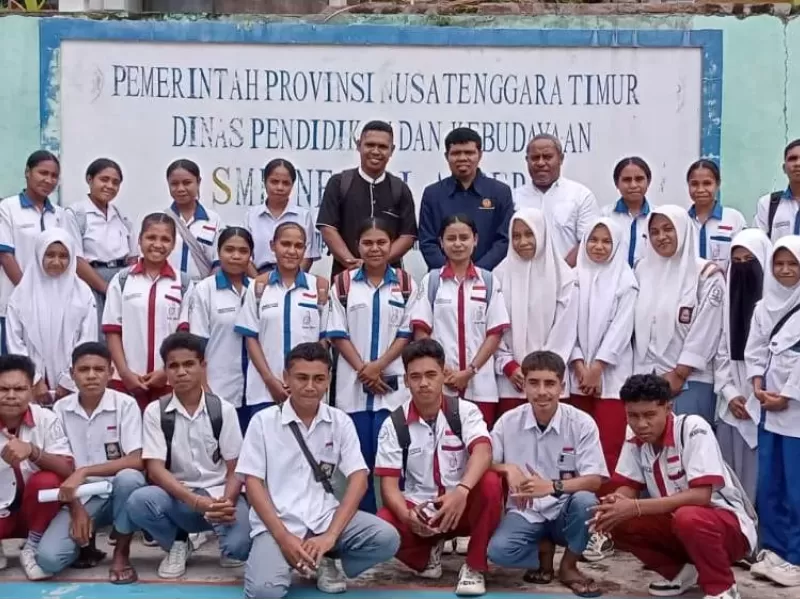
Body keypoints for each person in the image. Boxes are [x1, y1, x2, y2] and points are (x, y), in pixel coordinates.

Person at [237, 342, 400, 598]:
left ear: (329, 380)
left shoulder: (340, 421)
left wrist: (330, 536)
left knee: (386, 538)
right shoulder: (263, 422)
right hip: (279, 524)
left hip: (325, 519)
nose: (310, 386)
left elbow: (359, 478)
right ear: (286, 377)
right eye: (302, 378)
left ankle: (326, 559)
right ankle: (284, 558)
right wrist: (283, 537)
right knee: (264, 592)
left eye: (318, 379)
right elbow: (252, 483)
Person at [591, 374, 755, 600]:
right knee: (614, 518)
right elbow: (628, 485)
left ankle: (723, 588)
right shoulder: (634, 436)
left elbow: (701, 496)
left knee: (688, 517)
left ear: (668, 408)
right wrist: (614, 503)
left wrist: (635, 506)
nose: (641, 424)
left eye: (649, 415)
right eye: (633, 415)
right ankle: (683, 573)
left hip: (727, 527)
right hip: (679, 525)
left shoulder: (693, 428)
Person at [376, 339, 502, 596]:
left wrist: (462, 491)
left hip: (462, 507)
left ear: (443, 375)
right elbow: (388, 486)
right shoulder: (394, 423)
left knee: (490, 483)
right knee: (382, 527)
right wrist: (407, 517)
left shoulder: (464, 411)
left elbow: (483, 451)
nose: (424, 383)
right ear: (406, 381)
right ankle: (426, 556)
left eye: (431, 375)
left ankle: (474, 566)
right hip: (423, 511)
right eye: (416, 377)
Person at [126, 332, 251, 579]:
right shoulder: (155, 411)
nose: (181, 372)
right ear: (166, 371)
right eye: (173, 366)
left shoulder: (222, 409)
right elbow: (155, 469)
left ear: (202, 366)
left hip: (219, 495)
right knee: (139, 501)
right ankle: (178, 543)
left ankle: (226, 542)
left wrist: (225, 504)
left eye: (189, 364)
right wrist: (194, 501)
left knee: (240, 548)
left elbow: (235, 467)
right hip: (179, 497)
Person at [488, 351, 606, 597]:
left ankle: (569, 566)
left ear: (562, 387)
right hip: (525, 511)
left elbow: (595, 480)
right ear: (524, 386)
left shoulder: (581, 423)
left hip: (564, 510)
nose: (542, 392)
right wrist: (507, 468)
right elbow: (483, 461)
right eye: (534, 383)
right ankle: (543, 550)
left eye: (550, 383)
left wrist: (551, 486)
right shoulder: (507, 422)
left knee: (586, 501)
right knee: (499, 552)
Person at [324, 218, 417, 513]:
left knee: (393, 463)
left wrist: (379, 365)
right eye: (367, 243)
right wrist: (364, 370)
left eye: (381, 242)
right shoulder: (343, 283)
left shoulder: (405, 284)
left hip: (392, 391)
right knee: (357, 465)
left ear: (391, 245)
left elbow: (407, 331)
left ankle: (394, 525)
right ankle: (362, 525)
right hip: (352, 391)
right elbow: (337, 332)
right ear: (357, 246)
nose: (374, 249)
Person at [38, 342, 145, 584]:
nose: (91, 376)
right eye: (84, 369)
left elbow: (137, 459)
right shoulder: (60, 409)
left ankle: (121, 552)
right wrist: (76, 507)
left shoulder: (125, 404)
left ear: (110, 372)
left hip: (117, 492)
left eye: (99, 369)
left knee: (130, 478)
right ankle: (87, 546)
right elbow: (58, 462)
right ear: (72, 373)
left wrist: (85, 471)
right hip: (78, 496)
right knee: (49, 559)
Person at [411, 214, 510, 428]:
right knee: (443, 443)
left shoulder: (489, 280)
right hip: (442, 384)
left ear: (475, 240)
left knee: (479, 440)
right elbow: (421, 331)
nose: (457, 244)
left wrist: (470, 371)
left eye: (464, 238)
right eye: (451, 238)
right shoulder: (432, 281)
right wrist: (443, 369)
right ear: (441, 242)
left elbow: (494, 333)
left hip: (481, 384)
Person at [633, 205, 725, 425]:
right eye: (654, 232)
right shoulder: (642, 271)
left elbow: (708, 329)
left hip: (690, 381)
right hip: (647, 379)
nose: (661, 237)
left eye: (668, 229)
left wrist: (680, 373)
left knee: (688, 440)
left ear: (683, 230)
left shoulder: (706, 274)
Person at [235, 223, 330, 429]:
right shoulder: (258, 287)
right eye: (285, 244)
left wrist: (306, 379)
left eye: (298, 246)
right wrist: (270, 380)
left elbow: (324, 340)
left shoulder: (319, 287)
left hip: (307, 390)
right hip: (264, 390)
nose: (291, 251)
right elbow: (251, 338)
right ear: (273, 245)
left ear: (305, 249)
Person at [744, 236, 800, 586]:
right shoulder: (763, 307)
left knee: (797, 488)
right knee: (770, 484)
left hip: (795, 413)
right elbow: (755, 349)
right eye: (779, 264)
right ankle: (775, 550)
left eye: (793, 264)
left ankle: (797, 557)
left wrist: (788, 395)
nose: (785, 270)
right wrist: (756, 382)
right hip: (769, 411)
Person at [570, 218, 638, 479]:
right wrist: (580, 366)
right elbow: (565, 326)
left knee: (610, 446)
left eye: (606, 241)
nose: (599, 246)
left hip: (612, 378)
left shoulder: (626, 281)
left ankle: (609, 501)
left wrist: (597, 368)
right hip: (576, 377)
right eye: (593, 240)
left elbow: (622, 329)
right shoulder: (573, 278)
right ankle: (578, 499)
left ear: (617, 245)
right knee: (576, 446)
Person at [103, 213, 192, 411]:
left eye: (165, 239)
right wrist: (124, 373)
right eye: (151, 237)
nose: (157, 244)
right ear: (140, 240)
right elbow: (112, 330)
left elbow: (183, 334)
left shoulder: (183, 283)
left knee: (165, 429)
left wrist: (166, 371)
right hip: (126, 381)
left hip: (168, 381)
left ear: (173, 244)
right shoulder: (122, 280)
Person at [494, 208, 577, 418]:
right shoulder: (499, 275)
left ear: (542, 233)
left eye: (529, 234)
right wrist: (508, 365)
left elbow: (565, 329)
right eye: (516, 236)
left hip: (550, 381)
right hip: (512, 380)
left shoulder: (564, 277)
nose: (523, 242)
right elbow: (494, 325)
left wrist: (541, 372)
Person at [0, 354, 73, 581]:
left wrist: (32, 451)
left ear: (32, 391)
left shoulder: (46, 419)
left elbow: (67, 470)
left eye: (19, 389)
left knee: (48, 480)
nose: (11, 396)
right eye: (3, 389)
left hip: (35, 512)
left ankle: (32, 546)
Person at [6, 229, 97, 404]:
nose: (56, 261)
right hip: (32, 385)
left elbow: (87, 339)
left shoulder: (82, 294)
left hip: (73, 384)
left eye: (63, 256)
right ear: (39, 254)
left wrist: (68, 381)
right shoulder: (21, 296)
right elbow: (15, 342)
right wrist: (35, 379)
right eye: (50, 255)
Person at [714, 229, 771, 505]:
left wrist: (754, 401)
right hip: (731, 407)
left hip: (767, 407)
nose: (742, 267)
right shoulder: (727, 302)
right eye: (736, 261)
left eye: (750, 261)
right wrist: (730, 393)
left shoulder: (775, 308)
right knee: (730, 482)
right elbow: (721, 351)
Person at [316, 120, 417, 278]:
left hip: (390, 279)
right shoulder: (339, 183)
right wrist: (352, 263)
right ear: (358, 145)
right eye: (370, 145)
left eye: (382, 146)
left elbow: (407, 236)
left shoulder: (400, 189)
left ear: (392, 150)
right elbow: (328, 228)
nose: (376, 151)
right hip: (345, 276)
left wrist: (379, 263)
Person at [418, 127, 514, 271]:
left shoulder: (500, 192)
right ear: (446, 156)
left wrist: (476, 273)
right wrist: (450, 272)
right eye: (456, 153)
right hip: (443, 278)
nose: (462, 158)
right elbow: (427, 241)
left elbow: (504, 240)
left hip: (489, 276)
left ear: (480, 155)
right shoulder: (432, 194)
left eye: (469, 153)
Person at [0, 151, 67, 354]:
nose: (49, 180)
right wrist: (29, 293)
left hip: (51, 306)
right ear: (27, 172)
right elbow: (6, 256)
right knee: (14, 363)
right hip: (14, 299)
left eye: (54, 176)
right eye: (43, 173)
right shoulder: (7, 208)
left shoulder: (59, 214)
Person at [64, 158, 137, 336]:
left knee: (124, 336)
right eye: (104, 180)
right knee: (95, 335)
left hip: (121, 282)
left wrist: (125, 287)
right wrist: (106, 288)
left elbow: (133, 257)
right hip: (91, 282)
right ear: (89, 179)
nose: (109, 186)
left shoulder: (120, 215)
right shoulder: (76, 214)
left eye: (115, 182)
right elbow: (76, 260)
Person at [188, 227, 252, 430]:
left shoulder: (258, 290)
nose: (236, 256)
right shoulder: (204, 290)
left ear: (251, 256)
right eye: (229, 249)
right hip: (218, 389)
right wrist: (203, 387)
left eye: (243, 251)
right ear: (219, 252)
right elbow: (196, 344)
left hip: (256, 392)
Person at [512, 134, 600, 266]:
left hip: (570, 275)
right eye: (535, 158)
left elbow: (587, 240)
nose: (541, 163)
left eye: (547, 157)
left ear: (561, 159)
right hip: (524, 274)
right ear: (527, 160)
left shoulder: (581, 195)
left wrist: (561, 272)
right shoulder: (514, 197)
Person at [245, 159, 318, 274]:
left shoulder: (303, 216)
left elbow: (307, 257)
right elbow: (245, 255)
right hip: (258, 276)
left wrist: (293, 281)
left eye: (286, 183)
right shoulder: (252, 215)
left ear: (292, 185)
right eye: (274, 182)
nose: (279, 187)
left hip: (294, 277)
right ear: (265, 182)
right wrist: (258, 281)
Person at [162, 159, 224, 281]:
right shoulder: (161, 219)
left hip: (202, 287)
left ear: (198, 182)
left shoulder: (213, 220)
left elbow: (219, 261)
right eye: (174, 184)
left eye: (187, 183)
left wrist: (206, 288)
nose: (180, 188)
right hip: (167, 286)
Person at [686, 160, 746, 272]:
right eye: (694, 184)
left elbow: (742, 257)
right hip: (690, 283)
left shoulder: (734, 219)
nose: (700, 190)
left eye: (707, 183)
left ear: (718, 184)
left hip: (724, 282)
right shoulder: (683, 221)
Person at [601, 156, 653, 267]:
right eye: (627, 180)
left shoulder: (657, 217)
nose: (633, 185)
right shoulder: (605, 216)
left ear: (648, 181)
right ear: (616, 183)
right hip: (614, 277)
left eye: (639, 179)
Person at [754, 138, 800, 242]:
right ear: (784, 168)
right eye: (792, 159)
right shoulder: (768, 204)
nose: (798, 163)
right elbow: (757, 245)